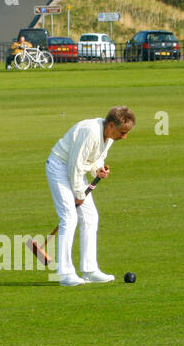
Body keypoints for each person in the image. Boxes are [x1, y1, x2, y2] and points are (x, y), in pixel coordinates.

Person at [45, 105, 134, 286]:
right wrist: (78, 193)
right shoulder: (90, 131)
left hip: (72, 170)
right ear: (110, 125)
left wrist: (98, 169)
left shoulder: (108, 137)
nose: (124, 137)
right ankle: (64, 274)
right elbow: (75, 166)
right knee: (69, 218)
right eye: (122, 132)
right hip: (59, 167)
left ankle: (89, 270)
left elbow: (96, 158)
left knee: (90, 216)